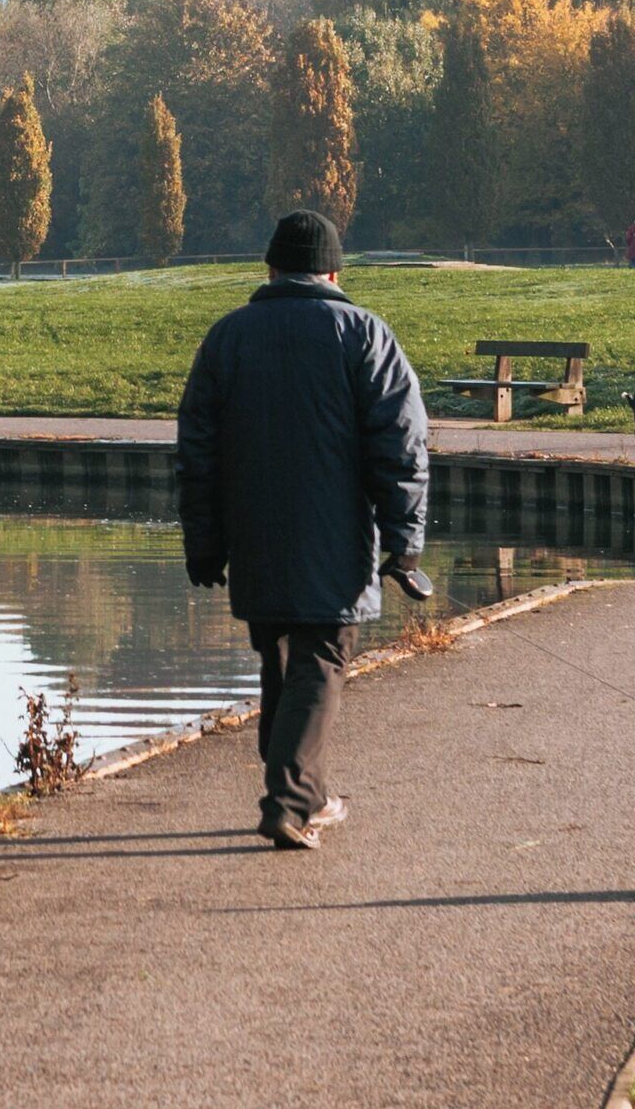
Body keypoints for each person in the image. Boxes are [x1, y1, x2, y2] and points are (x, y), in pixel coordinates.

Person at [174, 209, 429, 852]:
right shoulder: (364, 334)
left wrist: (203, 540)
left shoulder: (227, 338)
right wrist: (405, 540)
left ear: (271, 269)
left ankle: (307, 796)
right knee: (320, 658)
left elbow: (196, 451)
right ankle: (287, 804)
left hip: (254, 534)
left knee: (281, 660)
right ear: (335, 271)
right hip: (335, 532)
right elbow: (400, 444)